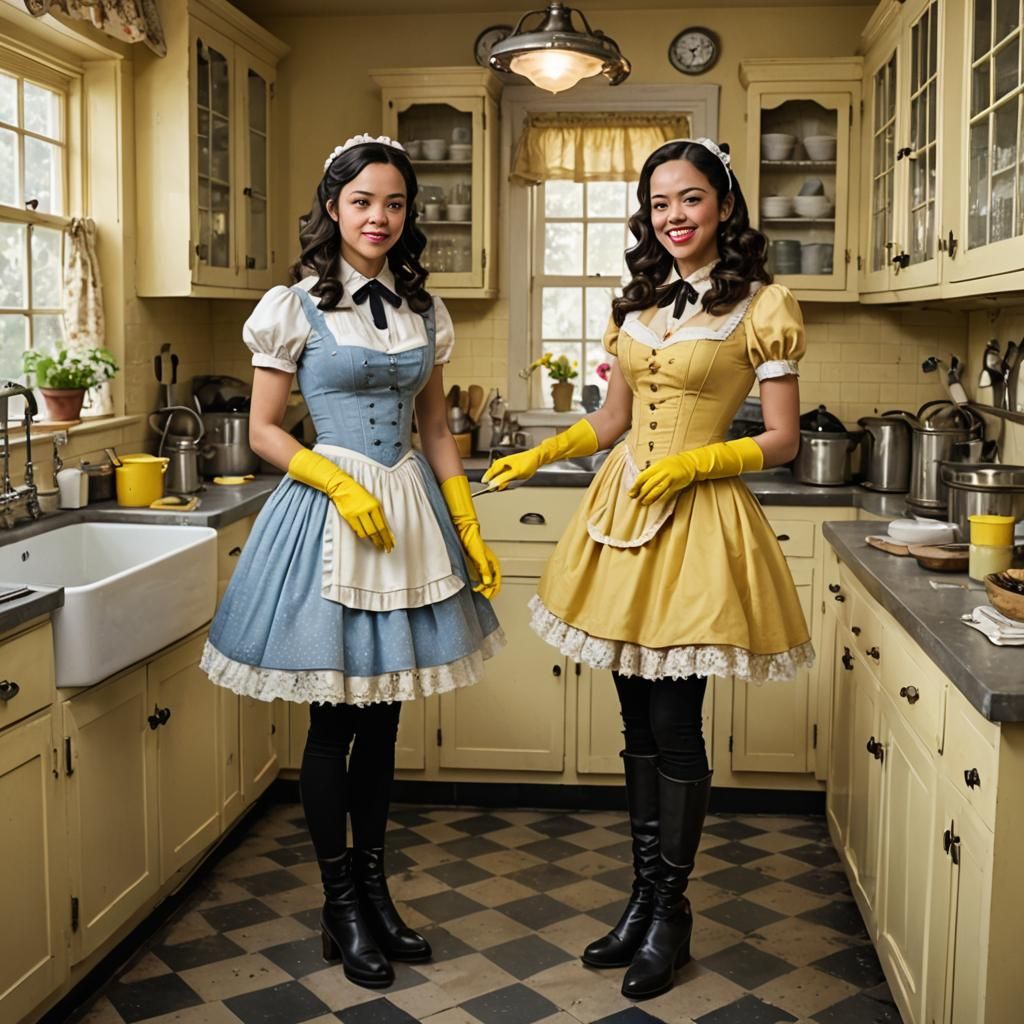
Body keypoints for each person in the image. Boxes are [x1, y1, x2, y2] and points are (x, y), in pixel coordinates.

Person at [484, 137, 812, 1000]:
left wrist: (699, 463)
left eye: (691, 199)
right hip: (621, 514)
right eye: (660, 202)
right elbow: (612, 417)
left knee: (676, 726)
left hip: (698, 518)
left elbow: (784, 439)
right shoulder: (637, 305)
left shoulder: (764, 306)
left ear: (725, 208)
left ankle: (673, 912)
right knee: (632, 722)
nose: (674, 215)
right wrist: (544, 451)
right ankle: (642, 899)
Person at [202, 134, 505, 990]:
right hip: (331, 517)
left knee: (384, 721)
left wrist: (467, 521)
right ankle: (338, 902)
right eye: (364, 200)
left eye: (396, 204)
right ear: (333, 206)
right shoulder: (291, 306)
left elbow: (438, 430)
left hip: (409, 516)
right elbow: (264, 429)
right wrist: (336, 482)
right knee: (333, 724)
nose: (379, 217)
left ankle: (375, 892)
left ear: (409, 215)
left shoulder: (422, 309)